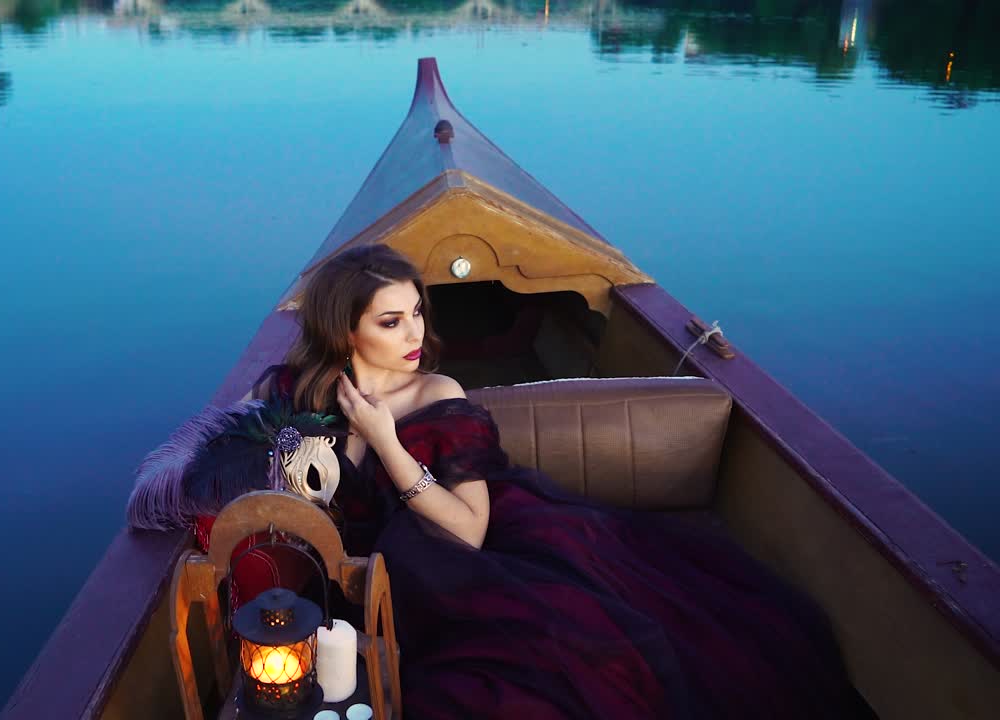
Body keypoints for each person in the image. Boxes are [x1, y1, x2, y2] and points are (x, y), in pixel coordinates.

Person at [158, 244, 875, 719]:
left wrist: (384, 443)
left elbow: (467, 530)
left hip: (471, 548)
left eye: (418, 314)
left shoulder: (435, 392)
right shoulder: (287, 389)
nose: (415, 333)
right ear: (347, 332)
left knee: (569, 666)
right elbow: (223, 465)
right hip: (356, 571)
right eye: (392, 320)